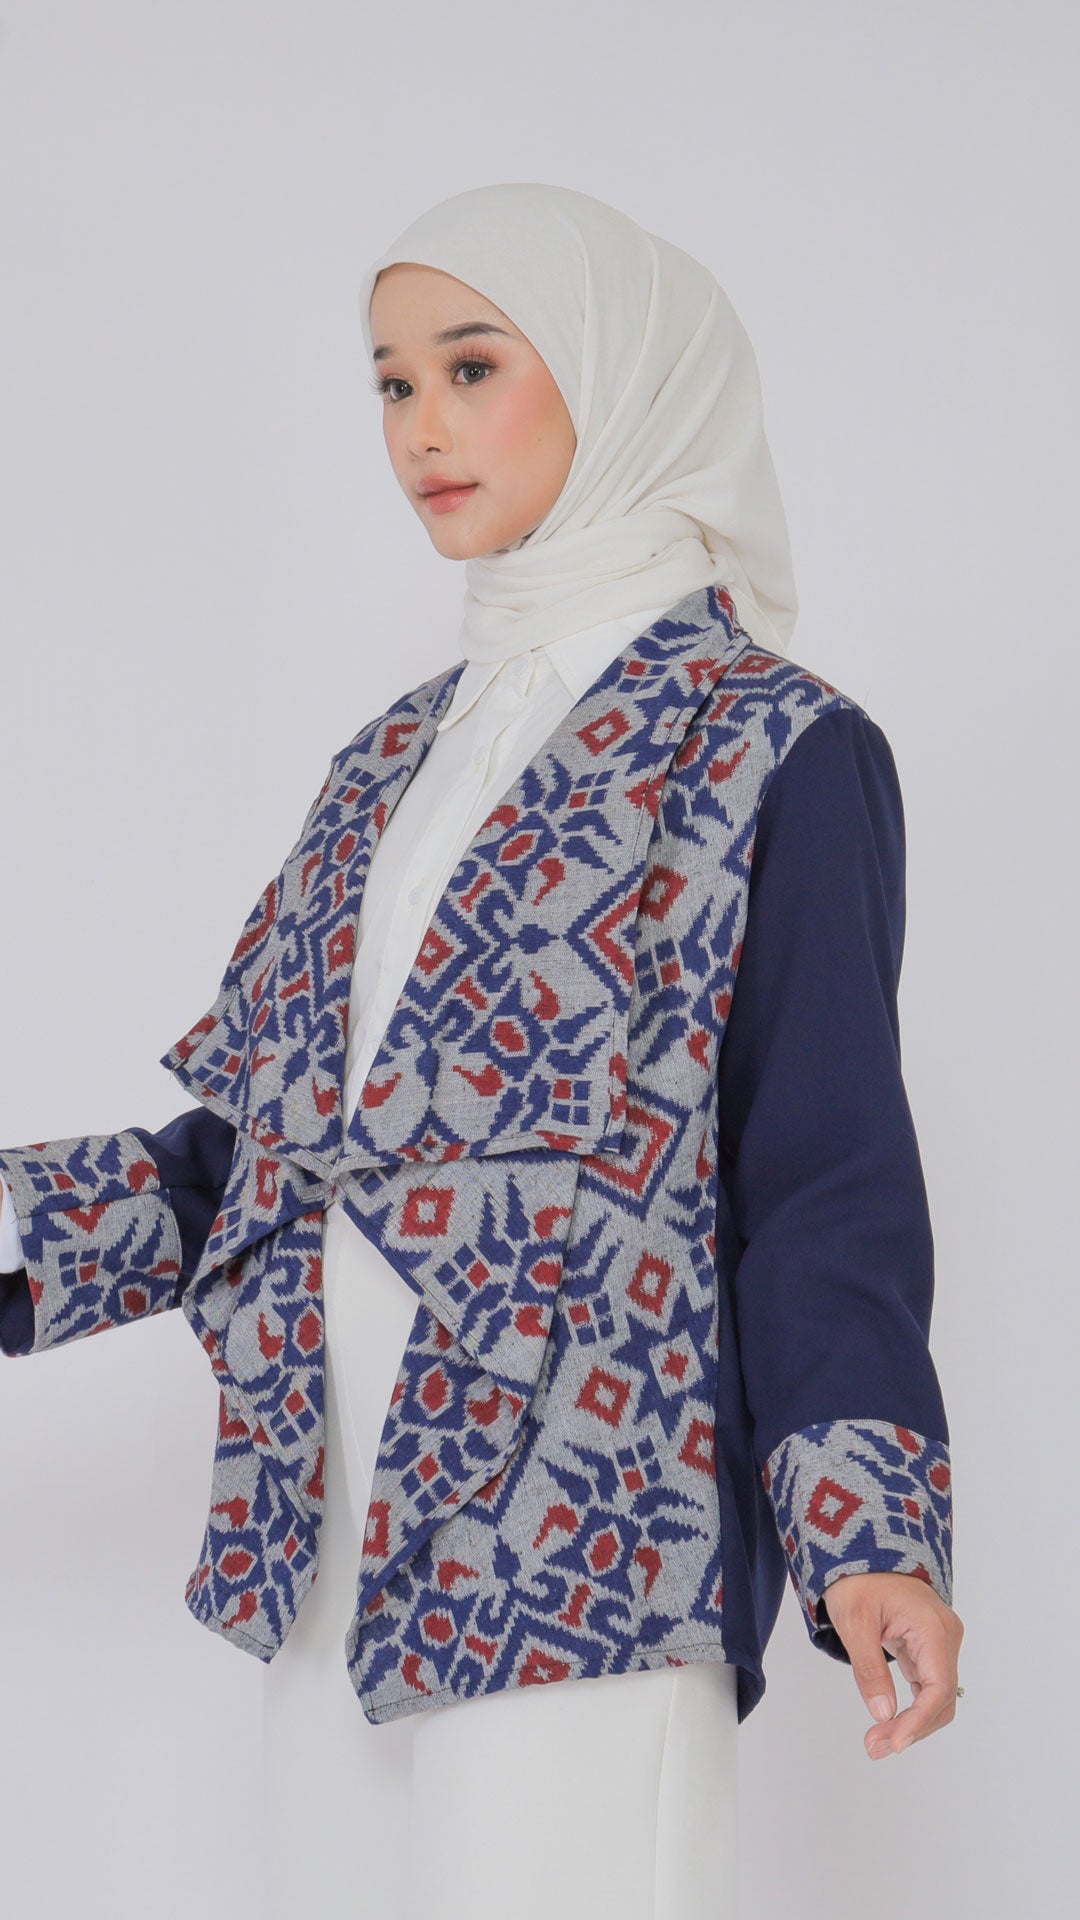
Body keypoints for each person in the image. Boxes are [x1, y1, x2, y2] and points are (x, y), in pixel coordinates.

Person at [0, 182, 964, 1920]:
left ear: (621, 373)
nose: (420, 428)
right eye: (390, 384)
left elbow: (823, 1178)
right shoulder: (389, 761)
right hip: (323, 1536)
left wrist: (869, 1533)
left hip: (586, 1546)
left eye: (470, 367)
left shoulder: (770, 748)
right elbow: (257, 1167)